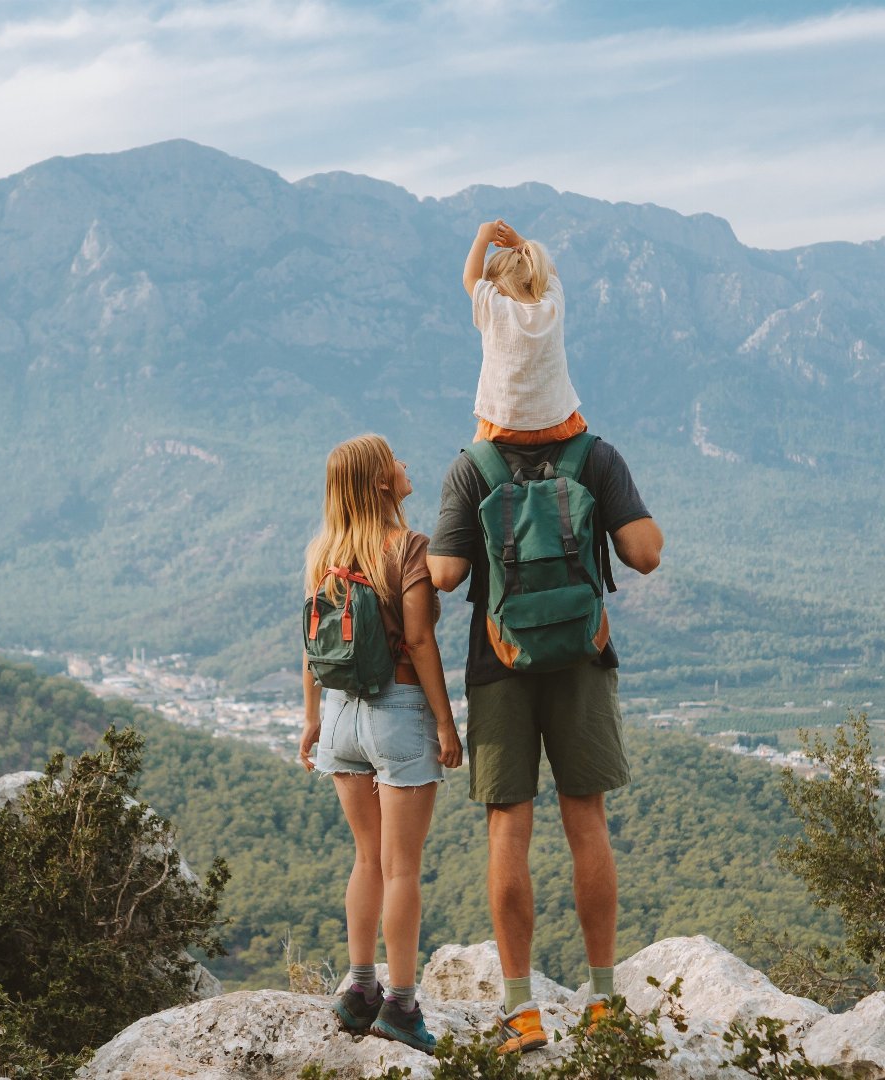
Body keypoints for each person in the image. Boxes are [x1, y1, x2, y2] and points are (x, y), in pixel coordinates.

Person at [427, 428, 663, 1053]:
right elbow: (645, 553)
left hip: (498, 662)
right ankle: (604, 1000)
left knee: (508, 828)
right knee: (588, 821)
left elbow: (447, 574)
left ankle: (520, 1009)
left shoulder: (471, 467)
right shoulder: (596, 457)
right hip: (582, 657)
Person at [298, 434, 464, 1054]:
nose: (405, 464)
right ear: (378, 482)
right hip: (396, 714)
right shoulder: (409, 548)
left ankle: (359, 987)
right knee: (403, 870)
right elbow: (420, 643)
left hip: (340, 715)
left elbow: (310, 645)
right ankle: (400, 1004)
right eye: (395, 458)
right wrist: (445, 724)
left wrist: (312, 720)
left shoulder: (323, 552)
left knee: (367, 859)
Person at [464, 219, 588, 446]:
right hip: (557, 425)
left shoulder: (495, 308)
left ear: (494, 285)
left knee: (473, 456)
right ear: (535, 281)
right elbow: (551, 273)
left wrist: (482, 237)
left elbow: (470, 278)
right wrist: (519, 242)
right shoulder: (552, 308)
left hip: (502, 426)